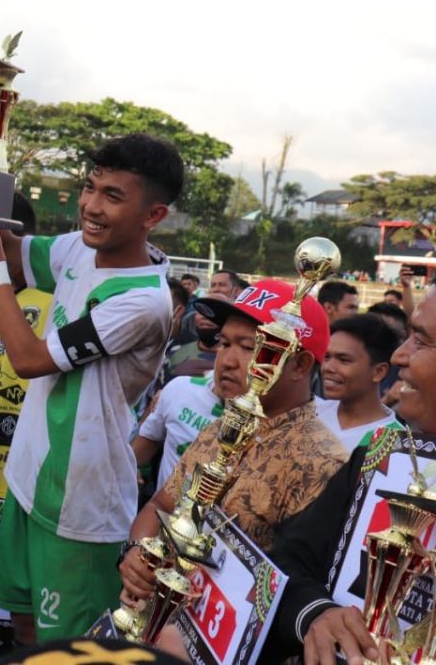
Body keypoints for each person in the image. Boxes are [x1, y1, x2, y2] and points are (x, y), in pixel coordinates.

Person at [0, 134, 182, 643]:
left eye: (113, 196)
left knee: (71, 650)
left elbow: (27, 359)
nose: (91, 206)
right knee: (23, 625)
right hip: (28, 480)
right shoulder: (80, 249)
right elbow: (13, 253)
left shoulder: (143, 301)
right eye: (89, 188)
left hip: (82, 506)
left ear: (153, 215)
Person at [118, 281, 347, 614]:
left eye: (250, 347)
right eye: (224, 343)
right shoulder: (220, 429)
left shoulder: (322, 463)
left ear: (300, 365)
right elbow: (161, 504)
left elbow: (292, 590)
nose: (226, 360)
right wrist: (137, 555)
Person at [268, 297, 436, 665]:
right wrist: (317, 614)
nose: (400, 357)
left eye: (421, 341)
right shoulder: (380, 456)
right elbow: (289, 560)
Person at [314, 313, 398, 452]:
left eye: (344, 360)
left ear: (378, 372)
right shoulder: (308, 413)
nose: (328, 367)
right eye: (327, 357)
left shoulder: (396, 443)